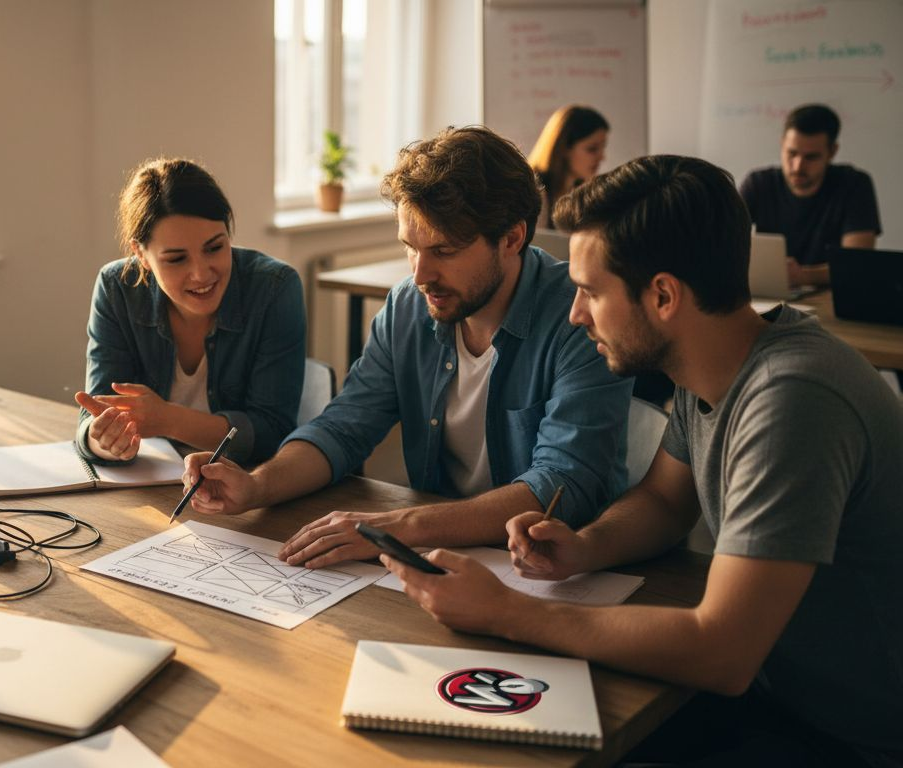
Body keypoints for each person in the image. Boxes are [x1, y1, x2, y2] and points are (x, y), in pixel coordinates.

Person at [384, 155, 903, 766]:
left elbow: (722, 651)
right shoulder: (713, 362)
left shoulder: (793, 399)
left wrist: (507, 611)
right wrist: (586, 546)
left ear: (662, 295)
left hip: (849, 736)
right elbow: (662, 502)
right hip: (772, 694)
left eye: (589, 291)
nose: (575, 314)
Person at [182, 126, 632, 568]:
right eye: (410, 249)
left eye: (444, 251)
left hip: (558, 570)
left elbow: (563, 483)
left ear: (512, 238)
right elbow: (344, 428)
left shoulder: (580, 317)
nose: (420, 276)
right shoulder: (407, 306)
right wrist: (257, 486)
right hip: (442, 557)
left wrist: (399, 526)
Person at [74, 158, 305, 466]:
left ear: (228, 234)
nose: (200, 274)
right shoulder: (117, 288)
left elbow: (271, 433)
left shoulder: (274, 288)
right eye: (176, 259)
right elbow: (95, 416)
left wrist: (168, 420)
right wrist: (106, 440)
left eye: (214, 248)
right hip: (151, 485)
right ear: (140, 254)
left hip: (243, 487)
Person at [739, 103, 882, 288]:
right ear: (782, 144)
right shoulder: (758, 183)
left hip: (830, 300)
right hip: (769, 296)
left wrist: (804, 276)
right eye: (792, 153)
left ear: (832, 152)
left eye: (811, 157)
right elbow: (721, 243)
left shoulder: (854, 184)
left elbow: (856, 263)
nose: (798, 166)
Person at [526, 105, 610, 231]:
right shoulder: (535, 192)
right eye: (592, 149)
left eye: (603, 148)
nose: (602, 157)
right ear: (564, 148)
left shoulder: (586, 194)